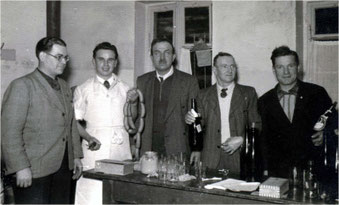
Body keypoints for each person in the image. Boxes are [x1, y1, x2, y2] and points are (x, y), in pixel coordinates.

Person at [1, 37, 83, 204]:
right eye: (58, 57)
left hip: (63, 168)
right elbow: (9, 133)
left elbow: (71, 124)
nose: (64, 62)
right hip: (33, 170)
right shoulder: (22, 86)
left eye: (65, 57)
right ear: (43, 57)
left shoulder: (65, 86)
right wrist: (20, 167)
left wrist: (76, 156)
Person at [258, 46, 337, 179]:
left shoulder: (317, 93)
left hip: (316, 172)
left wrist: (325, 134)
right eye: (280, 67)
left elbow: (334, 123)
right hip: (279, 174)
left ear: (298, 67)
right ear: (273, 70)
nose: (286, 72)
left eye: (290, 66)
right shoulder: (264, 101)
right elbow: (263, 141)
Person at [73, 42, 138, 205]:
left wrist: (134, 102)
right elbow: (74, 123)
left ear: (116, 63)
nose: (106, 64)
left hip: (120, 149)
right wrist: (88, 138)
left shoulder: (125, 88)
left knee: (119, 195)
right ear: (93, 62)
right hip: (94, 150)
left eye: (110, 60)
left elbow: (132, 119)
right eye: (101, 59)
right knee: (92, 195)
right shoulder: (83, 89)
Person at [185, 52, 261, 174]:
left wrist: (242, 139)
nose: (229, 70)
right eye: (224, 66)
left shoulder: (248, 93)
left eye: (232, 66)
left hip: (239, 156)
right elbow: (200, 127)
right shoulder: (203, 95)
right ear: (215, 70)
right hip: (210, 157)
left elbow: (256, 125)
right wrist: (191, 120)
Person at [134, 38, 199, 162]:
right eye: (157, 53)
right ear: (152, 57)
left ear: (174, 56)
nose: (162, 58)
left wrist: (197, 148)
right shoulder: (142, 81)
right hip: (148, 150)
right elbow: (137, 117)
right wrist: (133, 144)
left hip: (177, 148)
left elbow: (198, 118)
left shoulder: (189, 81)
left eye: (167, 53)